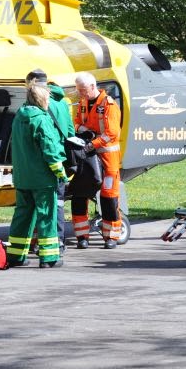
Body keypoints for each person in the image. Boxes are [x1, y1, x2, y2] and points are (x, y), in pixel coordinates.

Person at [6, 81, 69, 268]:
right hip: (42, 178)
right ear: (42, 99)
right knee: (46, 216)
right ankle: (49, 258)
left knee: (22, 216)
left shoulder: (19, 117)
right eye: (48, 98)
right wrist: (61, 173)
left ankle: (16, 256)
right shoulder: (41, 119)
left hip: (23, 177)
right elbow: (50, 149)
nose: (49, 101)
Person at [72, 72, 123, 249]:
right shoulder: (83, 104)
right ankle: (81, 237)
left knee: (109, 197)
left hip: (108, 159)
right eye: (79, 90)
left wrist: (91, 144)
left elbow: (112, 134)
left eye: (83, 90)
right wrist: (83, 130)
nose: (81, 94)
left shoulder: (109, 105)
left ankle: (111, 237)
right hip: (87, 158)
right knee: (80, 195)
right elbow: (76, 123)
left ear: (93, 86)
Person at [25, 69, 74, 254]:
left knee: (40, 206)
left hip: (41, 162)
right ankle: (59, 241)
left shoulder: (34, 105)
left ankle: (42, 242)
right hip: (59, 157)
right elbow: (70, 132)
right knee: (58, 204)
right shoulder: (62, 103)